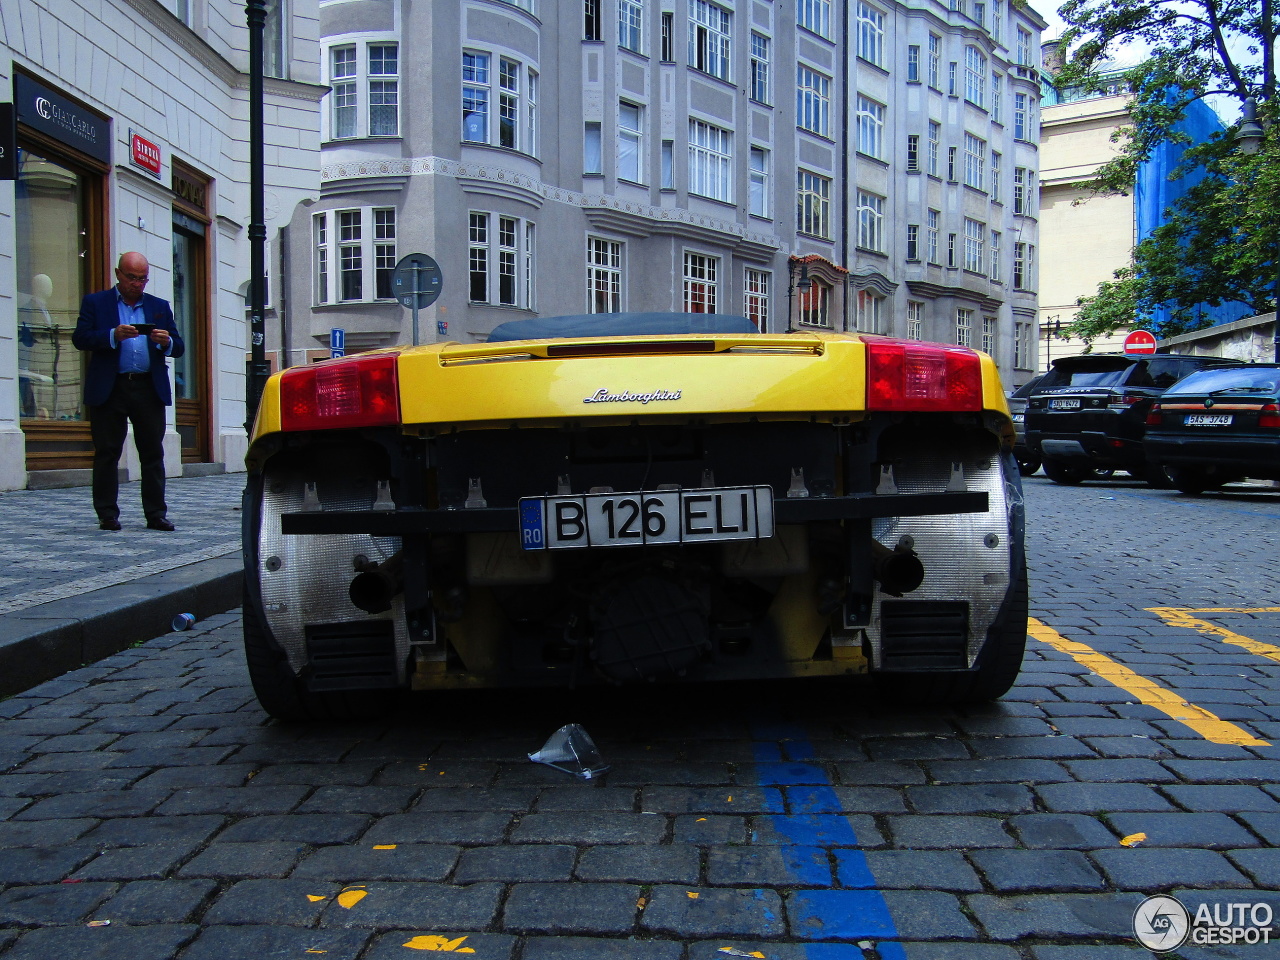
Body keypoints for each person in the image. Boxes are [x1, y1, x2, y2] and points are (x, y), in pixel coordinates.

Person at [72, 252, 185, 531]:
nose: (137, 284)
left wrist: (166, 341)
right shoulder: (96, 303)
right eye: (132, 278)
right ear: (118, 274)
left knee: (152, 453)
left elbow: (179, 346)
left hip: (147, 387)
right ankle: (107, 514)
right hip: (110, 387)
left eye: (142, 278)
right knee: (107, 452)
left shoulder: (159, 306)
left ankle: (156, 514)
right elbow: (80, 338)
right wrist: (112, 335)